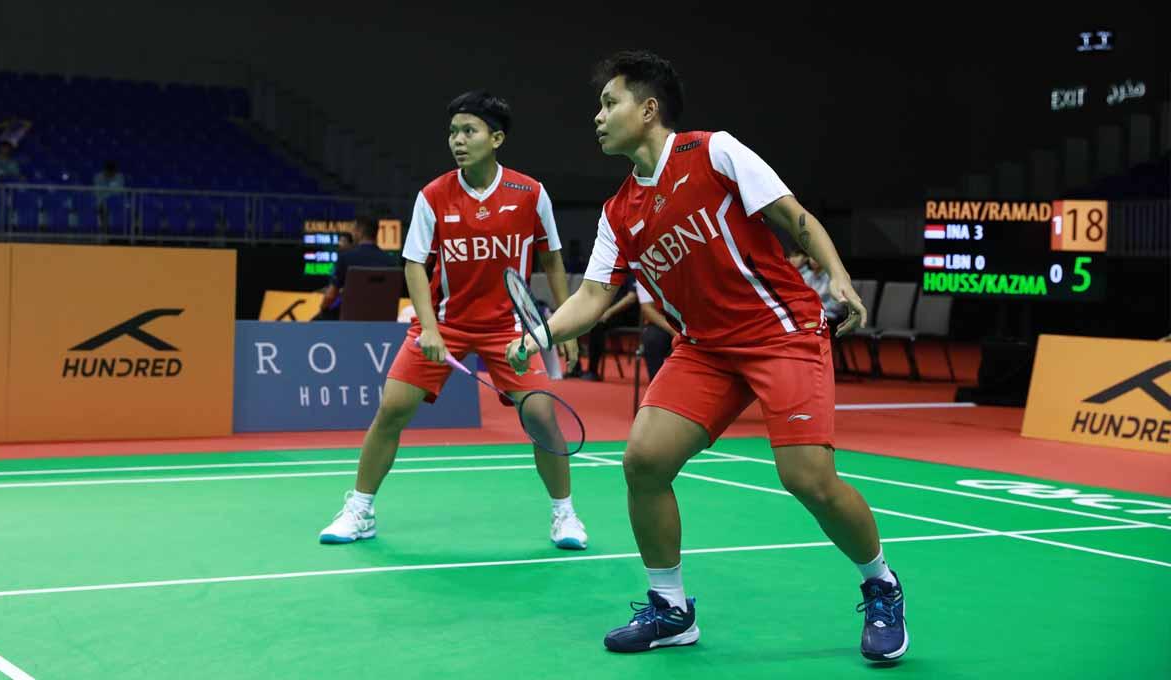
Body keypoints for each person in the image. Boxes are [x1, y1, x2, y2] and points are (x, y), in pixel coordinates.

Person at [507, 50, 906, 661]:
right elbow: (591, 297)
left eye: (609, 103)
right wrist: (539, 335)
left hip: (781, 332)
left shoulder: (714, 151)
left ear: (649, 109)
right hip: (706, 349)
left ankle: (881, 585)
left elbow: (792, 216)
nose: (598, 116)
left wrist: (839, 276)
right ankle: (670, 608)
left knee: (807, 478)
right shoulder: (619, 211)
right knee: (643, 459)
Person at [318, 90, 588, 550]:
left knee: (542, 416)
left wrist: (563, 328)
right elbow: (414, 265)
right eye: (452, 132)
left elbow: (554, 261)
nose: (457, 141)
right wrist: (428, 328)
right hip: (447, 321)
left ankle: (564, 515)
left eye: (469, 131)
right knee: (392, 409)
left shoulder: (530, 193)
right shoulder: (433, 195)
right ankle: (360, 509)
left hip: (510, 329)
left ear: (496, 138)